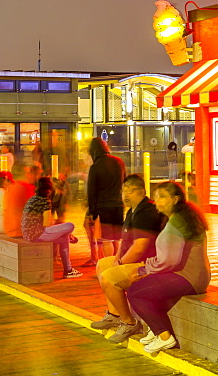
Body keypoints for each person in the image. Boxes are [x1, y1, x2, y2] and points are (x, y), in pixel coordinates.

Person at [127, 181, 211, 354]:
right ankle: (155, 329)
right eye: (157, 197)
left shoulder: (177, 223)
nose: (158, 201)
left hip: (187, 277)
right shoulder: (181, 217)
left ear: (175, 199)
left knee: (135, 292)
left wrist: (145, 269)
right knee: (147, 289)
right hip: (194, 275)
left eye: (163, 197)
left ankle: (165, 337)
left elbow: (169, 261)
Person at [91, 174, 165, 343]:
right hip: (132, 260)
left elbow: (140, 247)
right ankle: (114, 314)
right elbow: (124, 241)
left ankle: (129, 322)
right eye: (124, 190)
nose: (125, 194)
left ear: (142, 191)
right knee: (103, 264)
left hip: (146, 263)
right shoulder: (133, 210)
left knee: (108, 278)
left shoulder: (146, 211)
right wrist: (117, 259)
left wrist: (121, 263)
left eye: (131, 191)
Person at [21, 177, 82, 279]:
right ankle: (69, 238)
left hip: (28, 233)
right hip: (39, 233)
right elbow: (46, 224)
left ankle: (68, 270)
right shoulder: (45, 201)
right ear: (49, 190)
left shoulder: (32, 199)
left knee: (64, 240)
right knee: (70, 225)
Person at [84, 138, 126, 265]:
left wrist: (92, 212)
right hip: (119, 205)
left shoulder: (95, 167)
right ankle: (119, 263)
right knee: (116, 239)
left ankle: (109, 266)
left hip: (104, 207)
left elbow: (92, 192)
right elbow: (125, 181)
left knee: (106, 240)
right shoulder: (119, 162)